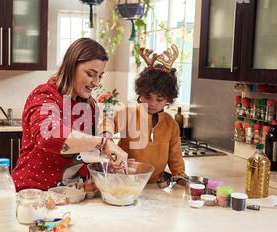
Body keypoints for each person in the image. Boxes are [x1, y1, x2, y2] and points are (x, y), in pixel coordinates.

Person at [12, 38, 128, 191]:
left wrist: (106, 167)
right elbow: (48, 136)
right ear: (71, 67)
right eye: (90, 74)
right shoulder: (45, 95)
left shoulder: (89, 105)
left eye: (100, 76)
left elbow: (86, 152)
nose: (96, 82)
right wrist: (104, 143)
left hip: (68, 195)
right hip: (33, 193)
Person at [100, 45, 185, 183]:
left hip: (154, 185)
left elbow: (175, 156)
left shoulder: (171, 125)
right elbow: (108, 121)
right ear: (140, 94)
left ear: (168, 99)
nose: (152, 103)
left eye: (159, 99)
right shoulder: (129, 114)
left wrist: (179, 175)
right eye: (147, 97)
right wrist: (106, 136)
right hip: (124, 179)